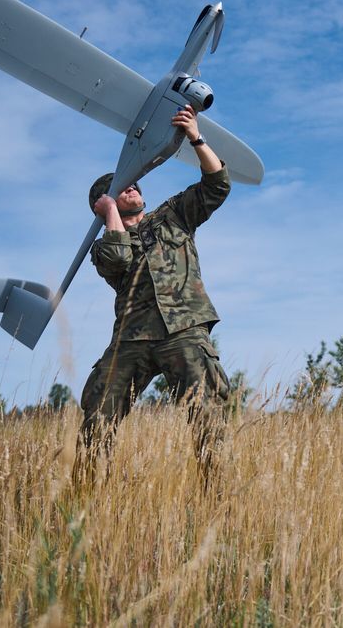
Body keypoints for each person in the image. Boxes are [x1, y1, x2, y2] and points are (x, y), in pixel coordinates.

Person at [78, 104, 232, 481]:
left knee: (208, 418)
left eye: (135, 183)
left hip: (184, 331)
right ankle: (84, 498)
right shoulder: (101, 245)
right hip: (131, 338)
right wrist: (111, 214)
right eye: (121, 186)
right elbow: (117, 257)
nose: (133, 186)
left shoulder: (173, 214)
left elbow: (217, 186)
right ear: (104, 202)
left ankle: (220, 503)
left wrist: (196, 136)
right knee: (98, 417)